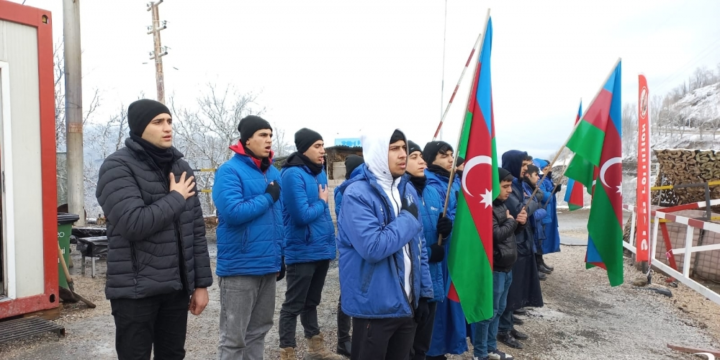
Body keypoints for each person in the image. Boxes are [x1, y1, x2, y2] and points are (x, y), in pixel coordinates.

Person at [96, 99, 212, 360]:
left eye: (169, 121)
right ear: (139, 128)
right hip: (135, 291)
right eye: (158, 122)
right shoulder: (117, 167)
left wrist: (201, 284)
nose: (167, 127)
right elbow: (132, 223)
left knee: (173, 355)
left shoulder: (181, 168)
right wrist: (176, 198)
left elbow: (195, 230)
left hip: (175, 289)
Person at [336, 128, 433, 360]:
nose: (403, 154)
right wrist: (407, 219)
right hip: (375, 307)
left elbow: (418, 246)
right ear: (378, 152)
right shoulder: (357, 194)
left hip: (407, 304)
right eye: (394, 149)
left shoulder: (406, 189)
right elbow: (373, 247)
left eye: (404, 148)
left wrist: (425, 293)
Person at [213, 115, 284, 360]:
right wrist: (267, 197)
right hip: (240, 268)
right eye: (263, 135)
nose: (268, 140)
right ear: (247, 139)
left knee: (258, 332)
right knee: (234, 339)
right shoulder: (229, 171)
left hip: (267, 265)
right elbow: (232, 213)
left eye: (270, 135)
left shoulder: (274, 171)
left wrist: (280, 256)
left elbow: (278, 219)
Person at [278, 128, 342, 360]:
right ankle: (287, 352)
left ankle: (315, 349)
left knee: (312, 301)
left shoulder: (319, 173)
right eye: (317, 146)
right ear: (303, 148)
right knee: (293, 305)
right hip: (301, 250)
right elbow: (301, 215)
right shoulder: (292, 174)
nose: (322, 151)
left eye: (323, 145)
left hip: (321, 249)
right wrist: (323, 203)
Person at [405, 141, 453, 360]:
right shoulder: (399, 192)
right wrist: (426, 253)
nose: (421, 161)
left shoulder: (432, 191)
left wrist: (447, 227)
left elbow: (439, 222)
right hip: (411, 279)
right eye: (413, 156)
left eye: (420, 156)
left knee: (424, 338)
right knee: (407, 339)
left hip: (432, 275)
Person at [472, 168, 524, 360]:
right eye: (505, 186)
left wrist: (519, 224)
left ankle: (491, 348)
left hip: (506, 267)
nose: (509, 190)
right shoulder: (488, 207)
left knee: (499, 310)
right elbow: (494, 235)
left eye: (510, 186)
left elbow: (507, 236)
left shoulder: (501, 205)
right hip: (494, 268)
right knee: (488, 313)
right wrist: (511, 222)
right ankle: (479, 353)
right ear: (494, 186)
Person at [422, 141, 468, 359]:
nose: (451, 159)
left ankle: (445, 346)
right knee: (439, 306)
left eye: (451, 155)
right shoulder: (430, 185)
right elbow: (437, 221)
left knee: (452, 304)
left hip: (455, 253)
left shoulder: (454, 181)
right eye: (444, 156)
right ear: (430, 159)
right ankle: (434, 350)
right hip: (441, 255)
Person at [497, 150, 544, 350]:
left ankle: (508, 325)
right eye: (523, 164)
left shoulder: (516, 183)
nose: (526, 169)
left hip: (519, 241)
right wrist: (529, 204)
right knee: (507, 291)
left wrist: (530, 204)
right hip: (509, 244)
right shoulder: (508, 185)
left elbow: (529, 206)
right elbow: (520, 210)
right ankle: (502, 329)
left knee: (514, 288)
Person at [333, 154, 365, 358]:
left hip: (352, 250)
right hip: (356, 249)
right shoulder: (346, 190)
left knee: (349, 294)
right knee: (351, 295)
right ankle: (347, 340)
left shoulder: (343, 189)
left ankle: (345, 340)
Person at [522, 165, 549, 280]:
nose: (538, 177)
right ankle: (533, 271)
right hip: (531, 223)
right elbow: (528, 211)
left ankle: (536, 267)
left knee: (536, 246)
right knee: (530, 249)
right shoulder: (523, 187)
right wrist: (542, 212)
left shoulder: (530, 186)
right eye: (536, 175)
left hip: (536, 224)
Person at [534, 159, 561, 268]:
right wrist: (553, 190)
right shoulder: (540, 181)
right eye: (546, 168)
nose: (549, 169)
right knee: (540, 239)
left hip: (548, 213)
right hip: (543, 213)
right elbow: (545, 197)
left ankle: (541, 261)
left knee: (544, 239)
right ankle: (537, 263)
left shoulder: (547, 179)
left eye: (549, 167)